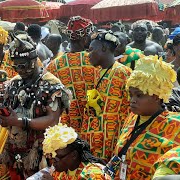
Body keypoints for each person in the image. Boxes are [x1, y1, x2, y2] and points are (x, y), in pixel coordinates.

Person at [0, 34, 71, 179]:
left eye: (23, 65)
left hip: (41, 154)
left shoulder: (51, 84)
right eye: (15, 66)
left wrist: (20, 122)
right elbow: (8, 113)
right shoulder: (14, 83)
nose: (19, 70)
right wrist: (3, 118)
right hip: (14, 153)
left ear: (34, 61)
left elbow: (52, 120)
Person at [111, 55, 180, 179]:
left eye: (139, 95)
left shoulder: (175, 125)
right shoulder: (132, 117)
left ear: (156, 96)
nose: (132, 100)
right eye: (131, 95)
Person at [83, 31, 131, 161]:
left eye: (91, 50)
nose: (88, 55)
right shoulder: (97, 73)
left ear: (104, 48)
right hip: (96, 143)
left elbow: (130, 110)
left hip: (113, 143)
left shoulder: (122, 72)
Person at [47, 16, 97, 133]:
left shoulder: (54, 65)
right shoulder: (95, 61)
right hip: (92, 124)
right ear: (85, 39)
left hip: (65, 128)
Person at [41, 123, 111, 180]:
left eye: (57, 158)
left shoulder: (93, 174)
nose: (53, 162)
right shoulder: (60, 172)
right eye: (51, 156)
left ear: (74, 155)